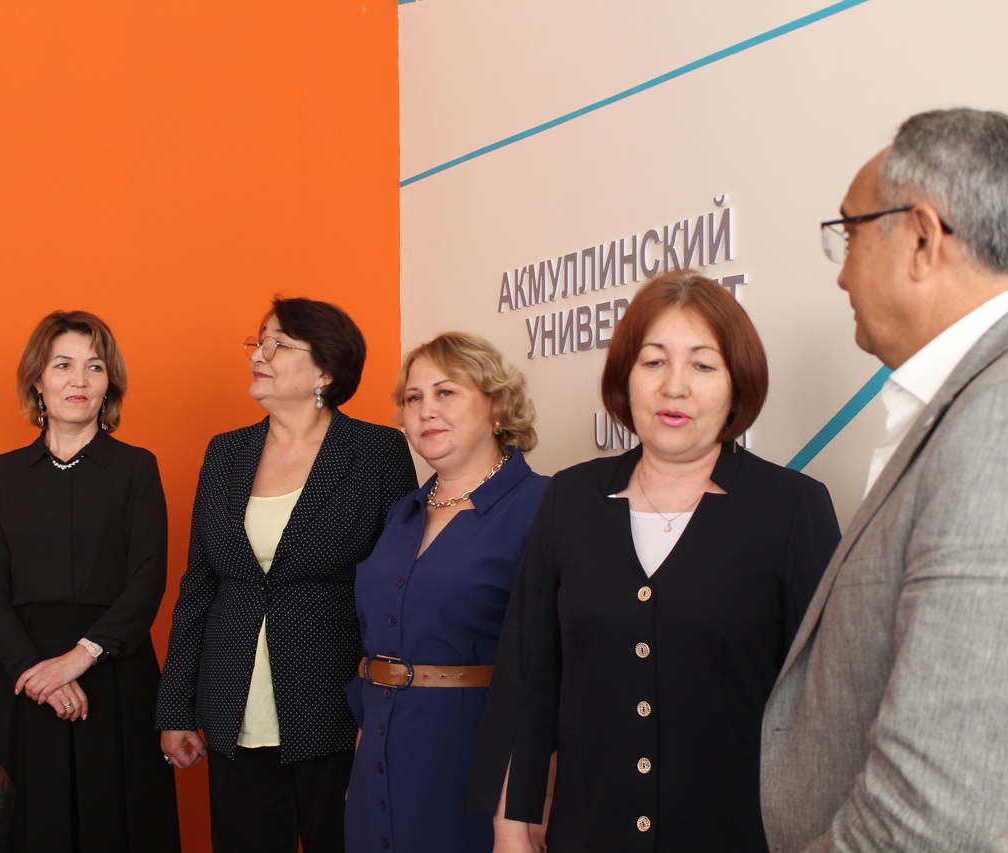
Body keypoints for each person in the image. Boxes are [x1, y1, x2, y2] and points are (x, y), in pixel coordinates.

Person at [760, 108, 1008, 852]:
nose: (841, 272)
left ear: (923, 239)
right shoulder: (1003, 395)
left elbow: (936, 810)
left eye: (850, 235)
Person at [467, 270, 842, 852]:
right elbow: (527, 675)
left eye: (702, 365)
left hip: (738, 835)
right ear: (625, 377)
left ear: (737, 385)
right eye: (653, 362)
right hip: (590, 832)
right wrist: (512, 825)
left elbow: (827, 701)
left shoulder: (792, 508)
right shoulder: (571, 498)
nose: (674, 387)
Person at [155, 297, 417, 853]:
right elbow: (198, 585)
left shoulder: (376, 451)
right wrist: (175, 708)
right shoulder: (226, 452)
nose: (260, 354)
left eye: (279, 344)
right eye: (259, 341)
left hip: (336, 709)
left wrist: (382, 710)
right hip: (233, 709)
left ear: (325, 371)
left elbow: (396, 588)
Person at [0, 310, 180, 853]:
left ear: (109, 382)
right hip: (28, 676)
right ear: (37, 380)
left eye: (94, 366)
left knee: (118, 823)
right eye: (62, 365)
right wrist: (37, 672)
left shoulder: (137, 468)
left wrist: (79, 658)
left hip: (115, 672)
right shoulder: (3, 474)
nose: (79, 380)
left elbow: (147, 580)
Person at [345, 332, 549, 853]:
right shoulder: (402, 513)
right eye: (413, 398)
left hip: (476, 760)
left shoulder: (545, 506)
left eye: (446, 392)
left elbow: (560, 670)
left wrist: (535, 803)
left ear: (496, 404)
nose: (425, 411)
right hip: (380, 761)